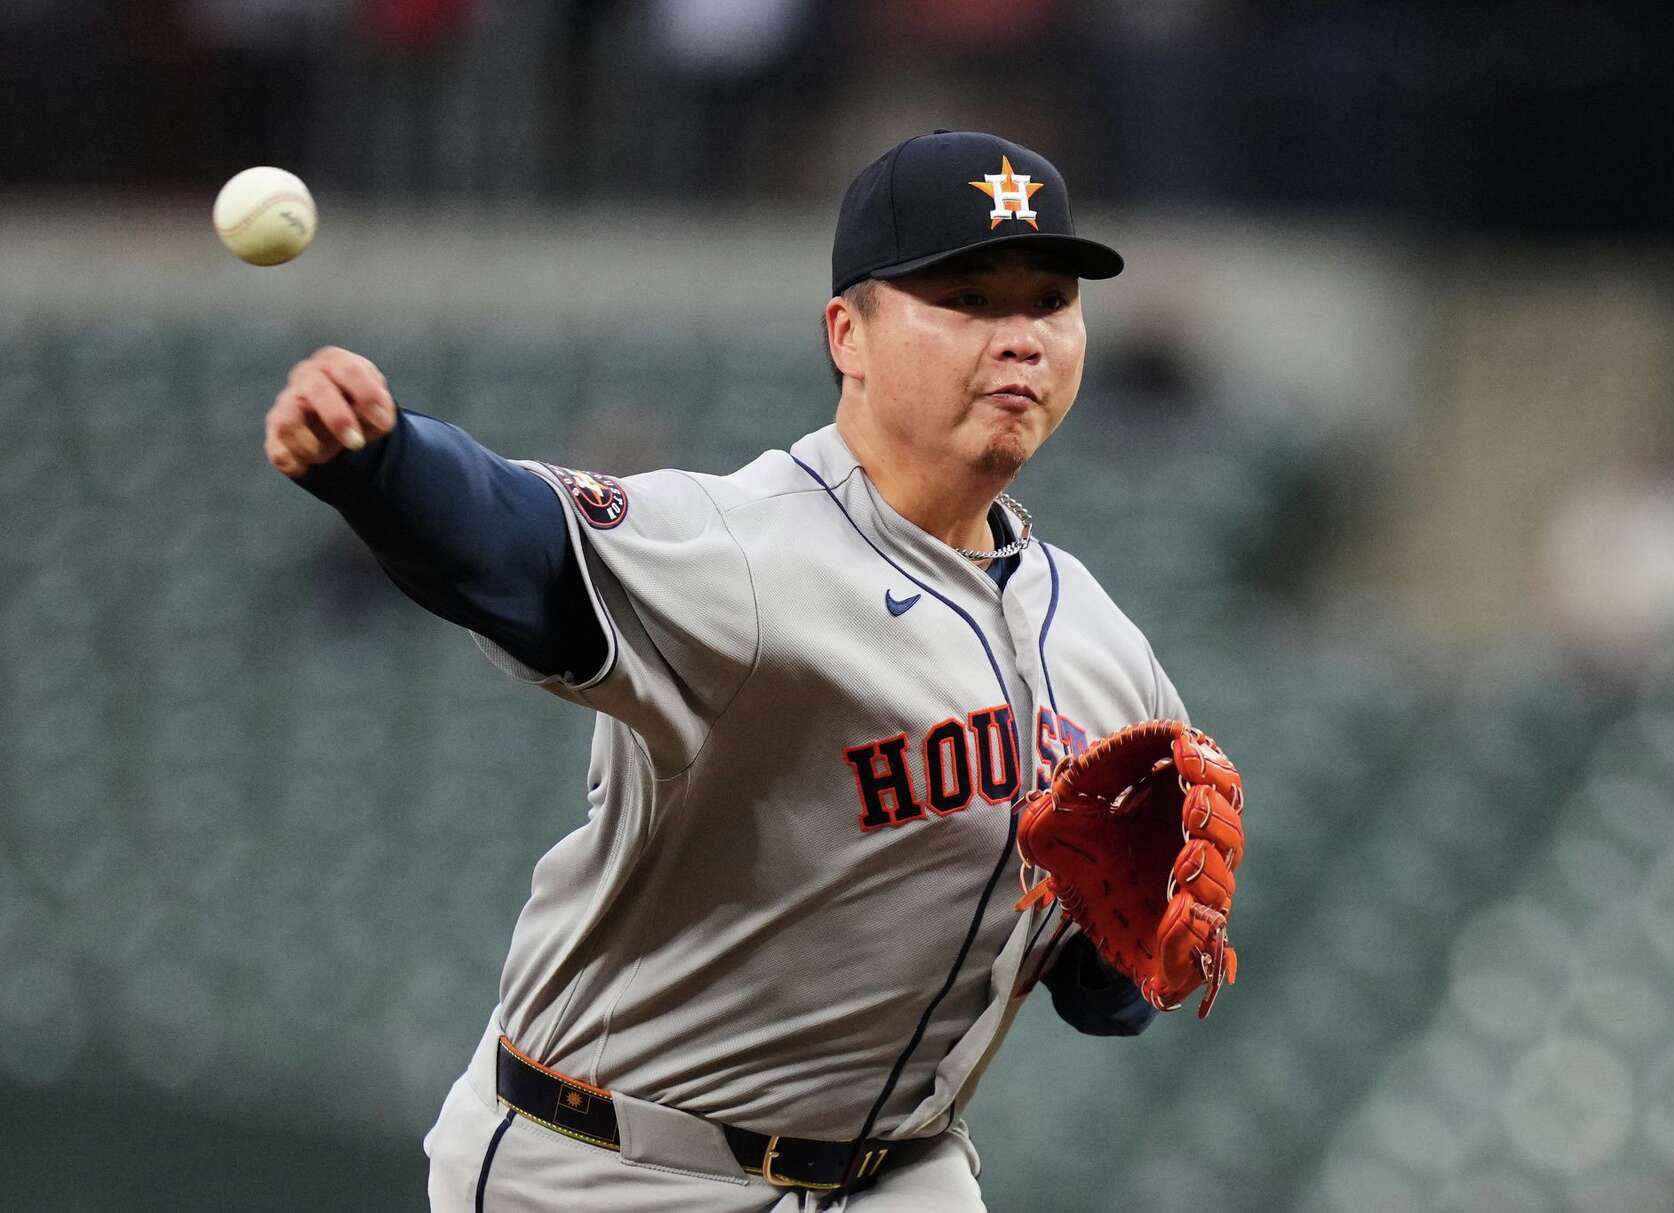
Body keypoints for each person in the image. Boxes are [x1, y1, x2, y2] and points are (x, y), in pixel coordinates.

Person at [268, 131, 1193, 1211]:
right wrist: (382, 464)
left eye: (1047, 303)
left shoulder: (1101, 641)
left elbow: (1107, 992)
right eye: (968, 300)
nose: (1020, 339)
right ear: (847, 334)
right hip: (615, 1167)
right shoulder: (747, 550)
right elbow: (520, 547)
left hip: (901, 1173)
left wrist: (1129, 948)